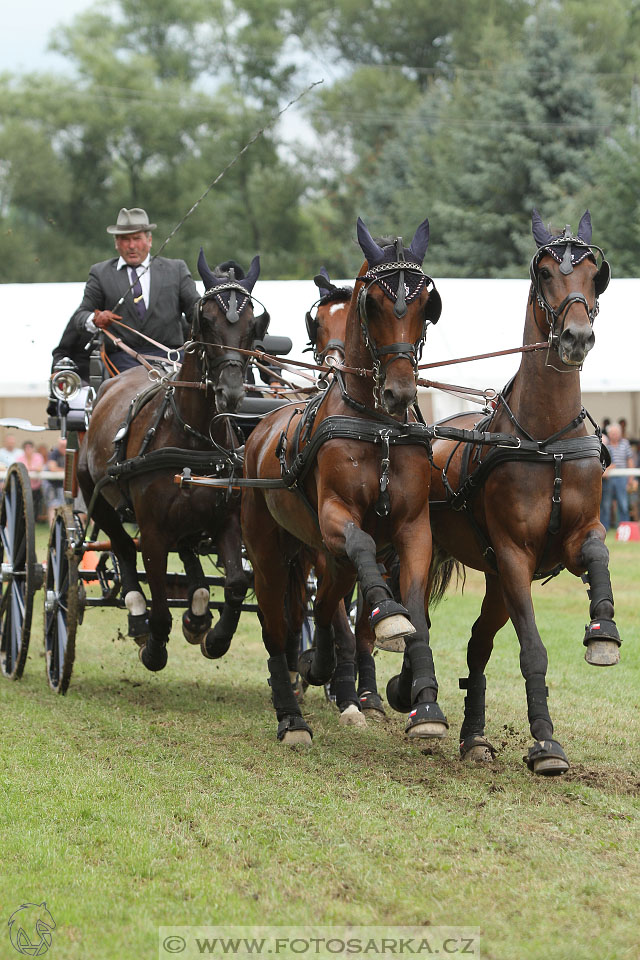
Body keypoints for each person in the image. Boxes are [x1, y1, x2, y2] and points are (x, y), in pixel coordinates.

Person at [67, 207, 200, 374]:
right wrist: (95, 319)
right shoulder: (101, 273)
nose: (131, 246)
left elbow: (196, 313)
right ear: (116, 243)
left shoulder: (176, 270)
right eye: (125, 239)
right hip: (121, 359)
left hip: (170, 358)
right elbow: (81, 315)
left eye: (137, 238)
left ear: (149, 240)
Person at [601, 421, 636, 531]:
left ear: (620, 433)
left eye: (616, 433)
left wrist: (631, 478)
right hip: (608, 479)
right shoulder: (605, 445)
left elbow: (630, 460)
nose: (614, 435)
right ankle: (604, 528)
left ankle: (624, 528)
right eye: (612, 433)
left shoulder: (625, 443)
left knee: (623, 504)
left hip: (622, 477)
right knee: (606, 505)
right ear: (609, 434)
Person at [15, 440, 45, 520]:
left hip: (36, 486)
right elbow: (20, 469)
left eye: (30, 448)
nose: (28, 450)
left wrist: (30, 469)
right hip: (24, 486)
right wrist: (33, 469)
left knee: (35, 505)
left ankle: (33, 521)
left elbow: (39, 468)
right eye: (26, 448)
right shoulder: (20, 458)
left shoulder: (38, 456)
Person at [44, 437, 67, 524]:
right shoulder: (54, 452)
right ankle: (52, 526)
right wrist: (66, 470)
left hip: (62, 485)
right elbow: (52, 468)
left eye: (65, 446)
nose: (63, 448)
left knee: (63, 506)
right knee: (52, 506)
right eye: (62, 446)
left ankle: (62, 526)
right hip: (51, 484)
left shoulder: (70, 453)